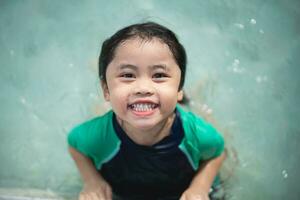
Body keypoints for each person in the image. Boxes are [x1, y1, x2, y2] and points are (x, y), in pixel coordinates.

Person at [68, 22, 226, 200]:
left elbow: (219, 152)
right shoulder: (98, 135)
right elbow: (75, 145)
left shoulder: (197, 134)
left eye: (159, 75)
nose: (143, 88)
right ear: (105, 90)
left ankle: (191, 94)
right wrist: (92, 181)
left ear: (179, 88)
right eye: (128, 75)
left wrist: (200, 187)